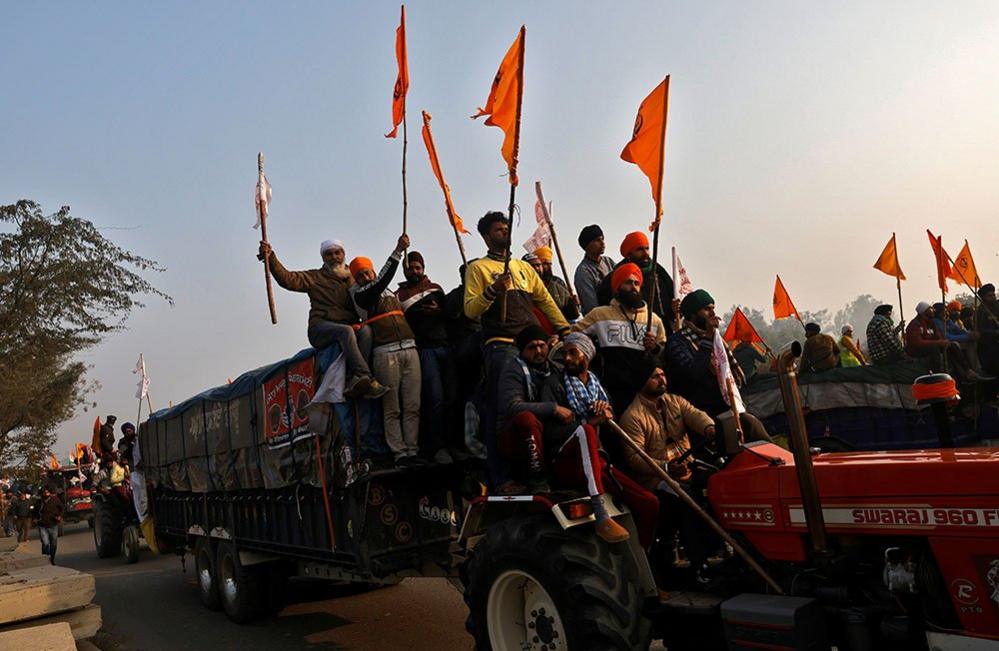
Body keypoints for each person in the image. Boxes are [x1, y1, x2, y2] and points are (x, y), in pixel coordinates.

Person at [463, 212, 571, 488]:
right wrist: (493, 290)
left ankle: (544, 468)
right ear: (487, 236)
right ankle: (502, 478)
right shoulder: (479, 268)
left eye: (507, 228)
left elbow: (545, 301)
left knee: (546, 403)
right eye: (499, 229)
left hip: (533, 345)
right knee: (501, 411)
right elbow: (470, 310)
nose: (504, 232)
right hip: (501, 346)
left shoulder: (522, 268)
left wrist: (565, 329)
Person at [538, 333, 659, 546]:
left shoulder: (598, 386)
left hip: (598, 460)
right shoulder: (554, 383)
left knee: (649, 503)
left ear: (587, 355)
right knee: (587, 431)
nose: (567, 358)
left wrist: (606, 416)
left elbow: (611, 428)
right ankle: (601, 514)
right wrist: (593, 422)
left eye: (572, 352)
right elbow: (549, 433)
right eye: (565, 353)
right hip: (567, 459)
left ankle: (646, 557)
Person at [619, 361, 717, 581]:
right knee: (687, 501)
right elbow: (634, 458)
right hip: (655, 479)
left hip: (687, 468)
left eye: (663, 374)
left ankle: (722, 550)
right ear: (642, 381)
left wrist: (709, 428)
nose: (662, 379)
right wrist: (665, 467)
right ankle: (699, 567)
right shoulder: (632, 416)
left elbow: (696, 415)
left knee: (719, 483)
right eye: (655, 376)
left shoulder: (675, 401)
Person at [259, 238, 386, 399]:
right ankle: (364, 376)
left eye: (337, 253)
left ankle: (354, 378)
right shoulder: (315, 277)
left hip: (352, 328)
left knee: (366, 331)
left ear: (343, 254)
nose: (333, 257)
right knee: (346, 331)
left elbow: (374, 292)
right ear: (323, 258)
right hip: (321, 328)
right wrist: (270, 257)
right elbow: (287, 279)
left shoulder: (354, 278)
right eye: (329, 254)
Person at [349, 235, 425, 467]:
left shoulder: (391, 291)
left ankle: (412, 450)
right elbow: (380, 282)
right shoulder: (361, 294)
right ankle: (399, 452)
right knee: (392, 407)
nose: (364, 276)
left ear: (372, 271)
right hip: (385, 352)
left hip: (410, 349)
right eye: (360, 274)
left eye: (367, 272)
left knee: (412, 405)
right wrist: (397, 252)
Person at [573, 263, 666, 417]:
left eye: (637, 283)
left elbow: (664, 353)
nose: (633, 287)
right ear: (617, 287)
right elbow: (574, 335)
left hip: (647, 391)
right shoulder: (600, 314)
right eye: (628, 283)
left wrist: (655, 348)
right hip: (616, 390)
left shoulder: (653, 319)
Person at [396, 251, 456, 464]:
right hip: (424, 350)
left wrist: (438, 310)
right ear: (405, 269)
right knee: (434, 398)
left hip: (446, 347)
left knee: (451, 397)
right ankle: (437, 447)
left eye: (417, 268)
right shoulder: (399, 296)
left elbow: (450, 314)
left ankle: (453, 444)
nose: (414, 271)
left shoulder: (435, 288)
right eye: (410, 268)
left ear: (423, 268)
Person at [497, 325, 567, 493]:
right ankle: (537, 479)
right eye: (532, 347)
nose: (538, 351)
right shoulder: (513, 370)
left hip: (549, 431)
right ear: (522, 350)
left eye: (541, 346)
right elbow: (513, 407)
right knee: (526, 419)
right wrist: (553, 408)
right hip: (517, 436)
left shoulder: (556, 368)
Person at [595, 231, 675, 325]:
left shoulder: (657, 270)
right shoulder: (617, 276)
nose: (645, 253)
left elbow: (672, 293)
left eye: (647, 248)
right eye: (640, 249)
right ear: (629, 254)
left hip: (662, 326)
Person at [906, 301, 978, 381]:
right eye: (930, 309)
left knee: (952, 345)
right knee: (934, 348)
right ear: (923, 312)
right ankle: (938, 375)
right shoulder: (915, 325)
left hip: (932, 346)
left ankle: (968, 371)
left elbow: (938, 336)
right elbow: (918, 343)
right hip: (917, 350)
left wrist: (943, 342)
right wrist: (938, 342)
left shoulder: (931, 323)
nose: (933, 310)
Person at [529, 246, 579, 322]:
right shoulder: (528, 286)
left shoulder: (558, 282)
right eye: (545, 263)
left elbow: (571, 315)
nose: (548, 267)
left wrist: (573, 304)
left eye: (550, 264)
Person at [574, 225, 616, 315]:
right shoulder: (583, 272)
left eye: (602, 239)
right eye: (597, 240)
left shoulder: (608, 262)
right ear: (587, 245)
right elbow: (592, 308)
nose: (602, 243)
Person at [976, 284, 999, 377]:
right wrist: (995, 332)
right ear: (983, 298)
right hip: (988, 347)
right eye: (990, 296)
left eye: (994, 295)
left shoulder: (997, 306)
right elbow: (980, 330)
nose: (993, 297)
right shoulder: (981, 311)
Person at [37, 486, 62, 564]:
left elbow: (62, 508)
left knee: (53, 544)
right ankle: (45, 558)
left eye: (47, 492)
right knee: (45, 543)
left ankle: (52, 559)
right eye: (44, 493)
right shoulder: (39, 502)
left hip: (53, 524)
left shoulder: (55, 500)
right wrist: (35, 518)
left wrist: (59, 516)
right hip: (42, 525)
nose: (46, 494)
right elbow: (34, 511)